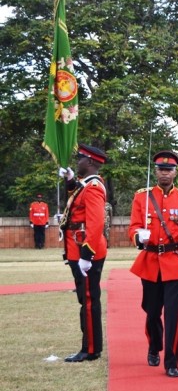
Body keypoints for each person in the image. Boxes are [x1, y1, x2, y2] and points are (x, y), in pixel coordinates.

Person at [129, 150, 178, 378]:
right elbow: (133, 226)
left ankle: (172, 361)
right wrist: (137, 236)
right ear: (155, 171)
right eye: (161, 169)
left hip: (175, 263)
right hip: (150, 262)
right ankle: (154, 346)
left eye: (169, 170)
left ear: (175, 172)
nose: (164, 173)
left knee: (173, 315)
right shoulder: (142, 196)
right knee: (151, 312)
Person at [58, 143, 108, 362]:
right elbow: (75, 200)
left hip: (85, 251)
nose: (77, 162)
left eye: (80, 159)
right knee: (85, 298)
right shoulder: (85, 185)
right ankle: (91, 345)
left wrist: (86, 255)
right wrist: (69, 179)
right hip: (76, 249)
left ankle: (90, 349)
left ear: (90, 162)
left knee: (88, 299)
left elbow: (95, 224)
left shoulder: (94, 187)